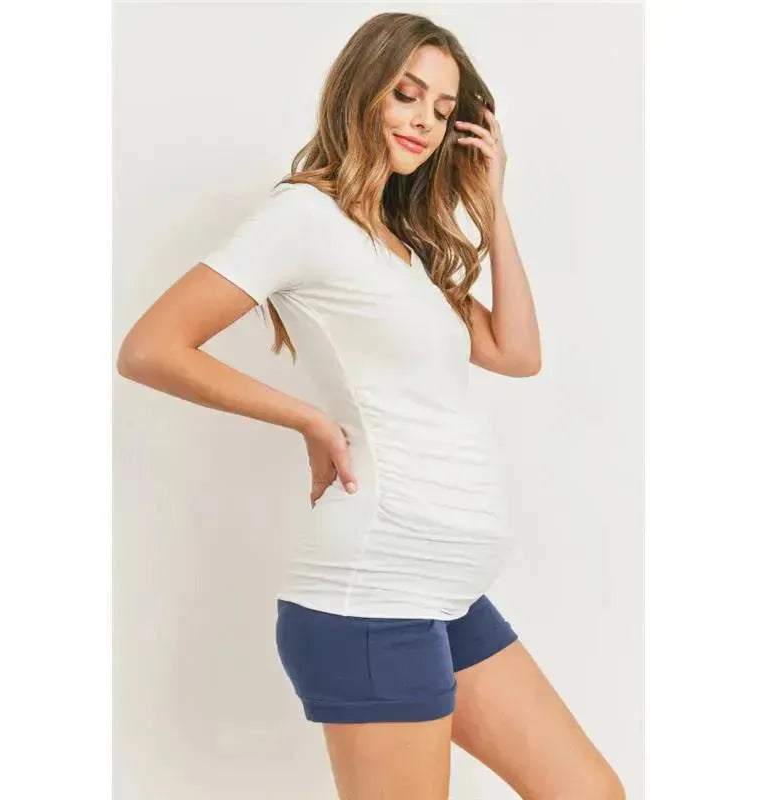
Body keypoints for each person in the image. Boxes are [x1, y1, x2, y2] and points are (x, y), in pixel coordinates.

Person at [117, 11, 624, 800]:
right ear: (362, 90)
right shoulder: (303, 217)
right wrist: (307, 418)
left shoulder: (405, 246)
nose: (423, 120)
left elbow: (518, 354)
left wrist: (491, 204)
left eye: (442, 109)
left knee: (590, 792)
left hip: (444, 596)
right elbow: (150, 347)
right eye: (406, 94)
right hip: (372, 597)